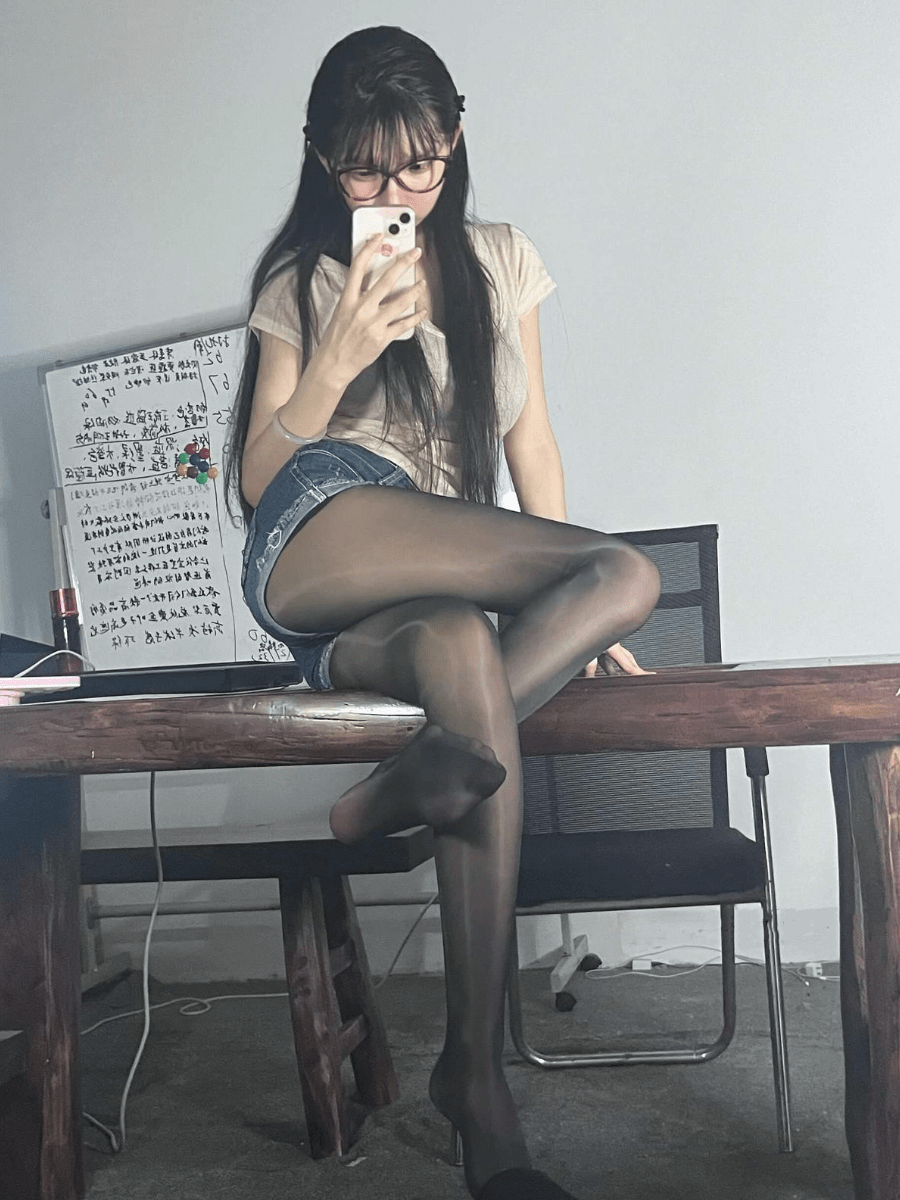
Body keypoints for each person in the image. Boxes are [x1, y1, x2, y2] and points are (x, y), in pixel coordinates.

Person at [225, 25, 661, 1200]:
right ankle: (407, 786)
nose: (396, 193)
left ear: (454, 141)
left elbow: (532, 443)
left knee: (561, 610)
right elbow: (258, 481)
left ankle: (474, 1080)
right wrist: (338, 357)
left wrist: (575, 613)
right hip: (321, 529)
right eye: (365, 171)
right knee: (626, 571)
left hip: (421, 602)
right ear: (322, 160)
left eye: (417, 164)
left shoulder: (503, 262)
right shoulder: (301, 280)